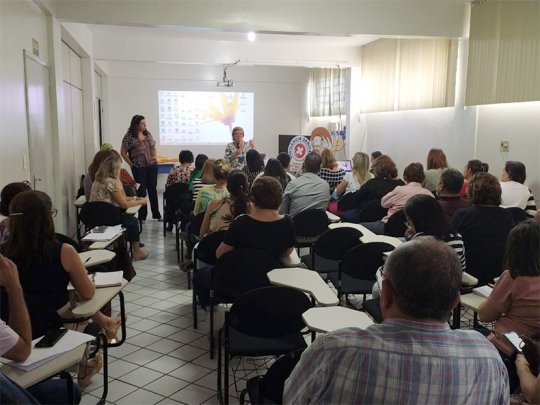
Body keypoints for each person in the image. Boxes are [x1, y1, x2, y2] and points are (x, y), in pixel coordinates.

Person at [284, 238, 509, 404]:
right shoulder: (487, 357)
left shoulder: (333, 350)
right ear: (455, 302)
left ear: (386, 294)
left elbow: (292, 399)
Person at [2, 191, 120, 387]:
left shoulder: (4, 257)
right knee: (78, 300)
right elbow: (88, 292)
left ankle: (103, 329)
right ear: (47, 217)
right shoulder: (63, 250)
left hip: (12, 329)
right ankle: (86, 362)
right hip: (53, 323)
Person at [194, 176, 295, 307]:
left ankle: (208, 303)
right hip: (269, 282)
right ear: (280, 197)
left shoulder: (241, 222)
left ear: (253, 198)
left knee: (200, 274)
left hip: (235, 281)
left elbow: (220, 254)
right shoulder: (287, 223)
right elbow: (287, 253)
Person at [0, 254, 82, 404]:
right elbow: (22, 352)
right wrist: (14, 286)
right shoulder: (64, 250)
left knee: (67, 391)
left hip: (36, 330)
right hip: (50, 323)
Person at [478, 220, 540, 356]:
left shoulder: (512, 277)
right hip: (533, 350)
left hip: (511, 347)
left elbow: (485, 316)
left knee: (472, 335)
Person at [451, 172, 514, 285]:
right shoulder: (506, 215)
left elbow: (451, 243)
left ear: (471, 191)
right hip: (498, 274)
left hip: (469, 274)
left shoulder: (462, 215)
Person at [90, 154, 149, 260]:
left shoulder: (98, 180)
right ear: (115, 168)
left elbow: (124, 198)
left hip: (94, 217)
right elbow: (124, 204)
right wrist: (141, 201)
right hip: (108, 217)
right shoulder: (111, 182)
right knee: (132, 221)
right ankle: (137, 251)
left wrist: (135, 198)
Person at [361, 162, 433, 234]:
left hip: (390, 227)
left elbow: (384, 203)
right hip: (415, 231)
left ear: (405, 177)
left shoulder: (399, 190)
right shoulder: (429, 195)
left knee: (359, 227)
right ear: (423, 178)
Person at [404, 194, 466, 271]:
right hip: (454, 278)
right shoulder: (457, 237)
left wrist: (411, 238)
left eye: (409, 221)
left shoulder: (417, 243)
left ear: (417, 221)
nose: (409, 225)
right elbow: (462, 268)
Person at [120, 114, 161, 221]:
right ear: (136, 125)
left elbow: (153, 147)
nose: (145, 125)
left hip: (152, 166)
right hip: (139, 168)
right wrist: (131, 164)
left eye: (145, 123)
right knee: (141, 191)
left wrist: (155, 158)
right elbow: (123, 152)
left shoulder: (147, 134)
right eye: (142, 123)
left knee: (152, 190)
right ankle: (142, 217)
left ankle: (156, 214)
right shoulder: (129, 136)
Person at [340, 155, 405, 222]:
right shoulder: (401, 184)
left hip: (369, 216)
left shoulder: (374, 183)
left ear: (378, 169)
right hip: (391, 217)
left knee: (345, 215)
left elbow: (357, 197)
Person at [199, 170, 249, 238]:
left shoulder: (215, 204)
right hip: (239, 244)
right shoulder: (251, 208)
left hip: (212, 243)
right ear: (247, 186)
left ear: (227, 187)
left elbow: (202, 233)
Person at [279, 152, 330, 217]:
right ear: (320, 167)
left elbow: (282, 212)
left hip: (295, 223)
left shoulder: (292, 184)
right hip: (319, 223)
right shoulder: (326, 186)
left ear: (303, 164)